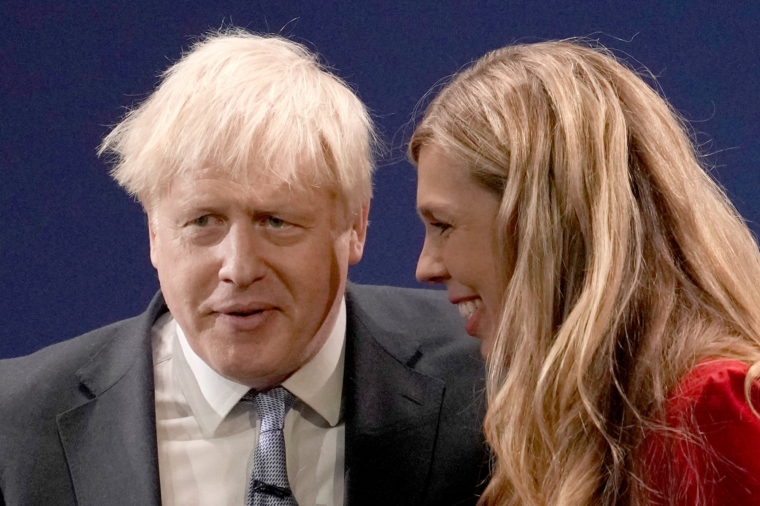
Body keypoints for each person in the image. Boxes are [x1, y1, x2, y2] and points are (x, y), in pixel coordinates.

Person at [0, 29, 488, 506]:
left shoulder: (491, 370)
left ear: (354, 226)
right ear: (153, 233)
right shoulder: (18, 424)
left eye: (276, 221)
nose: (238, 267)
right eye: (202, 221)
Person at [410, 40, 760, 506]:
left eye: (443, 226)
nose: (425, 267)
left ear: (542, 224)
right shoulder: (583, 432)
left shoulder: (715, 414)